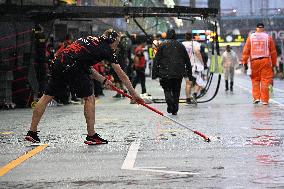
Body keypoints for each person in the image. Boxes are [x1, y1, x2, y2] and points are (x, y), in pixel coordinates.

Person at [25, 29, 143, 144]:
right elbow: (121, 74)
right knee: (89, 97)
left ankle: (32, 132)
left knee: (46, 97)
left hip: (58, 63)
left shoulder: (89, 39)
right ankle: (91, 135)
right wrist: (134, 94)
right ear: (112, 41)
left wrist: (103, 79)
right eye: (116, 43)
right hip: (72, 67)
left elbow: (84, 63)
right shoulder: (107, 49)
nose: (116, 47)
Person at [152, 29, 193, 115]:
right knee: (176, 91)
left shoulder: (162, 45)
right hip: (178, 73)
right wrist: (189, 74)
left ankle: (169, 102)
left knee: (167, 89)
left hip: (164, 73)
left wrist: (154, 73)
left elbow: (156, 60)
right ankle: (175, 109)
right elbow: (187, 60)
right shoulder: (180, 45)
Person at [242, 23, 277, 105]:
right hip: (265, 61)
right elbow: (273, 52)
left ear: (256, 28)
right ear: (263, 28)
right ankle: (264, 100)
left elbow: (246, 51)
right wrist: (274, 64)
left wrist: (244, 62)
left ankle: (256, 98)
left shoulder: (251, 37)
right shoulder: (268, 37)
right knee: (265, 81)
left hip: (254, 61)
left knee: (255, 80)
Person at [182, 32, 204, 104]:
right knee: (199, 82)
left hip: (185, 66)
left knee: (188, 83)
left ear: (185, 37)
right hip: (194, 66)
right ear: (192, 37)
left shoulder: (182, 44)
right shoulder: (195, 43)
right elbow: (197, 52)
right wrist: (202, 62)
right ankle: (194, 94)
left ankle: (188, 99)